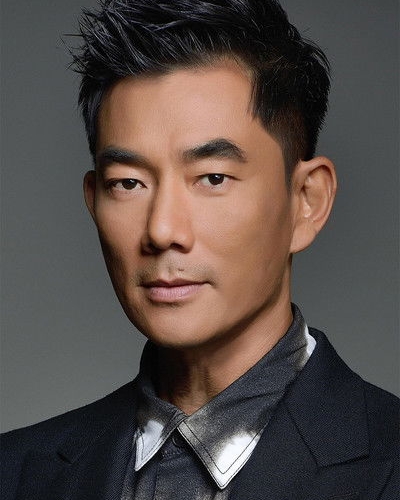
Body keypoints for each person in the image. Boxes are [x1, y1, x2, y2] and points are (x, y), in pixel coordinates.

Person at [1, 0, 398, 498]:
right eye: (127, 183)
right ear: (93, 199)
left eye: (212, 178)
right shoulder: (15, 473)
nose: (162, 230)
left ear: (306, 200)